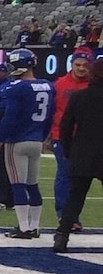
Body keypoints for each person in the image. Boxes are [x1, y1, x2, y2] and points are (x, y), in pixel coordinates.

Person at [0, 49, 55, 239]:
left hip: (17, 141)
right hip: (36, 140)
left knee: (18, 185)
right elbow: (50, 116)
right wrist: (44, 137)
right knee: (32, 185)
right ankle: (35, 226)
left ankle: (24, 227)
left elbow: (9, 118)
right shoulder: (47, 85)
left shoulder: (17, 87)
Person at [55, 76, 101, 252]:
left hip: (83, 152)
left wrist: (68, 150)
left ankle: (62, 235)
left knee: (75, 197)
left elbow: (66, 126)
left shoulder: (79, 96)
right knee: (75, 195)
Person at [51, 48, 91, 231]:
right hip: (62, 136)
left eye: (85, 65)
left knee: (81, 178)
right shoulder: (59, 84)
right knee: (65, 174)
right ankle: (64, 215)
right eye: (78, 64)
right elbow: (52, 111)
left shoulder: (94, 86)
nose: (81, 68)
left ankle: (72, 215)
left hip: (85, 138)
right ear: (72, 64)